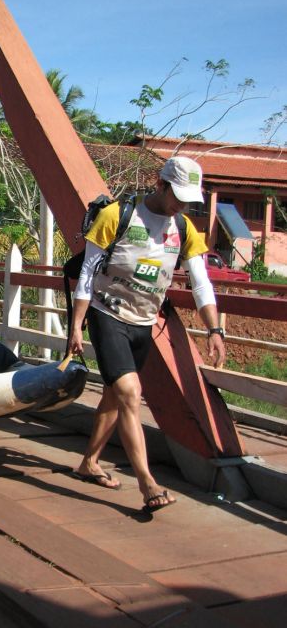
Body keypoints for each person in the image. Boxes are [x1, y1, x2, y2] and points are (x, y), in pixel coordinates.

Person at [69, 156, 226, 513]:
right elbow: (88, 276)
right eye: (177, 196)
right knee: (130, 392)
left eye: (188, 200)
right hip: (107, 314)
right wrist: (77, 325)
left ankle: (89, 463)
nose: (181, 205)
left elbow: (201, 284)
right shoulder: (117, 216)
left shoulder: (184, 229)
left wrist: (214, 329)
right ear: (160, 184)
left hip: (144, 322)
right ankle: (147, 483)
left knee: (114, 397)